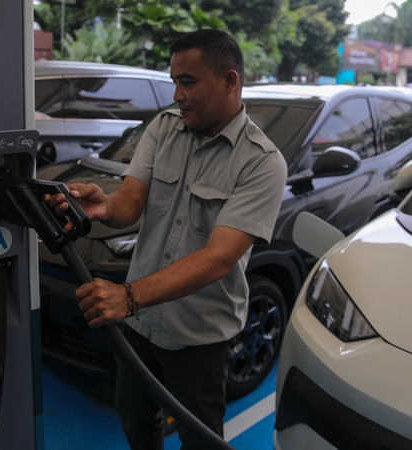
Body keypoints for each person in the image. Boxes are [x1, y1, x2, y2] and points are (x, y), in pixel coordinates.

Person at [47, 29, 287, 449]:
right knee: (136, 421)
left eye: (188, 82)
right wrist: (105, 206)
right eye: (174, 81)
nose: (177, 94)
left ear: (230, 81)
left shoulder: (262, 163)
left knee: (200, 439)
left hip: (199, 337)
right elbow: (132, 203)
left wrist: (127, 297)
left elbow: (218, 258)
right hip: (140, 327)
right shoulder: (163, 128)